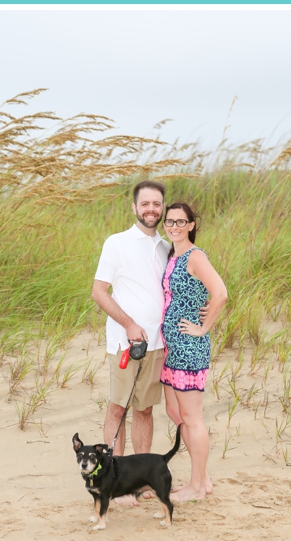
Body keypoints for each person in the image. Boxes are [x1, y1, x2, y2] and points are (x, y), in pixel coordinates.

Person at [92, 180, 171, 506]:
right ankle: (114, 482)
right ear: (134, 207)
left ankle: (141, 480)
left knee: (145, 410)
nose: (151, 209)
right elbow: (99, 291)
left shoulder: (166, 246)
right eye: (145, 203)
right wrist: (128, 324)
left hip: (157, 345)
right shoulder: (117, 243)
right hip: (126, 345)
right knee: (118, 409)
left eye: (157, 204)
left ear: (162, 207)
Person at [160, 201, 227, 501]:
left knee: (192, 416)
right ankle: (204, 476)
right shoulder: (173, 255)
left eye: (180, 222)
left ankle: (197, 487)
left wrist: (203, 328)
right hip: (171, 347)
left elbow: (221, 293)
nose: (174, 226)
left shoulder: (195, 256)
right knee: (175, 411)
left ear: (191, 225)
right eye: (169, 222)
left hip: (189, 346)